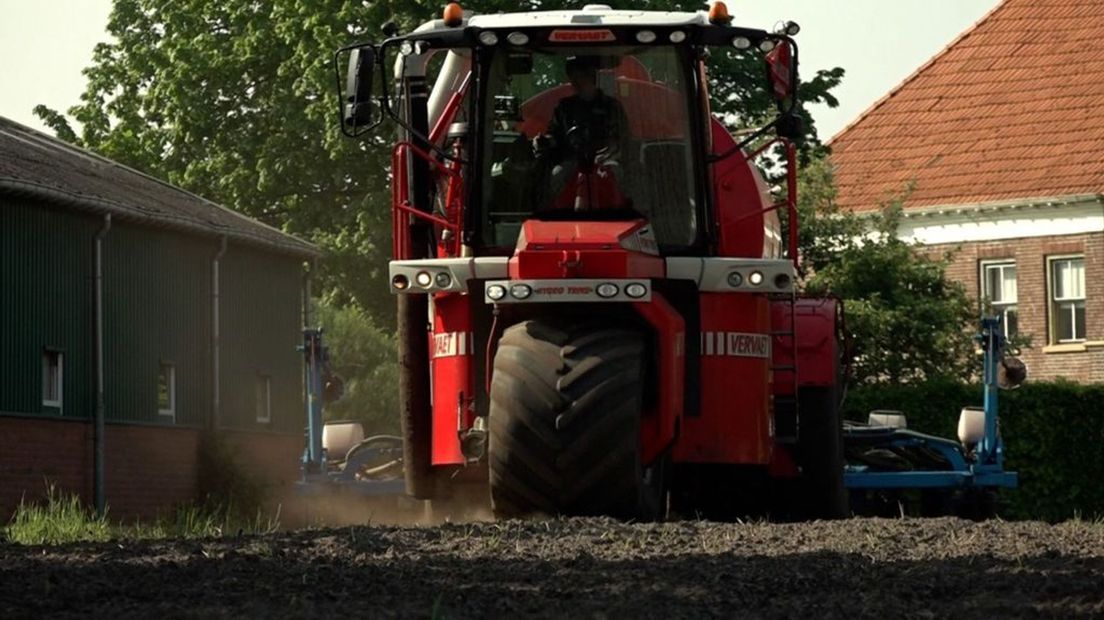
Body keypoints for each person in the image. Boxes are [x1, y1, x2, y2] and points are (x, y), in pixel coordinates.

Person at [533, 56, 632, 210]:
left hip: (604, 159)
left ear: (591, 77)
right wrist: (544, 141)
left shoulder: (611, 107)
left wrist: (607, 154)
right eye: (573, 79)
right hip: (572, 160)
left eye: (580, 78)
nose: (575, 83)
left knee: (615, 173)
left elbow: (621, 139)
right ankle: (558, 214)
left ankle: (617, 212)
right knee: (557, 174)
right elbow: (554, 135)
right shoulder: (564, 108)